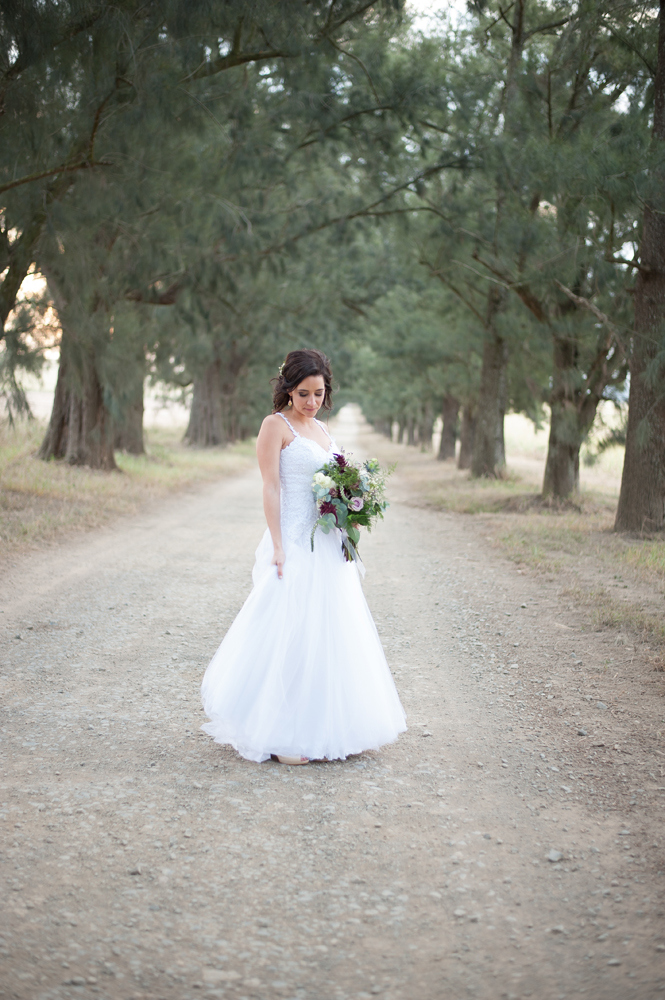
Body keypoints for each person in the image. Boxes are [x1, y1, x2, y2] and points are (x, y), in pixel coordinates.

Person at [200, 349, 406, 764]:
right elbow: (271, 487)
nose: (311, 401)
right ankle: (280, 736)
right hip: (294, 539)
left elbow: (336, 484)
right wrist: (277, 544)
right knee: (290, 630)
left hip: (328, 545)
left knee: (330, 633)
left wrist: (351, 512)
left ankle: (331, 727)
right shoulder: (274, 426)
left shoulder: (324, 431)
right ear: (287, 390)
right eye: (303, 393)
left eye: (318, 393)